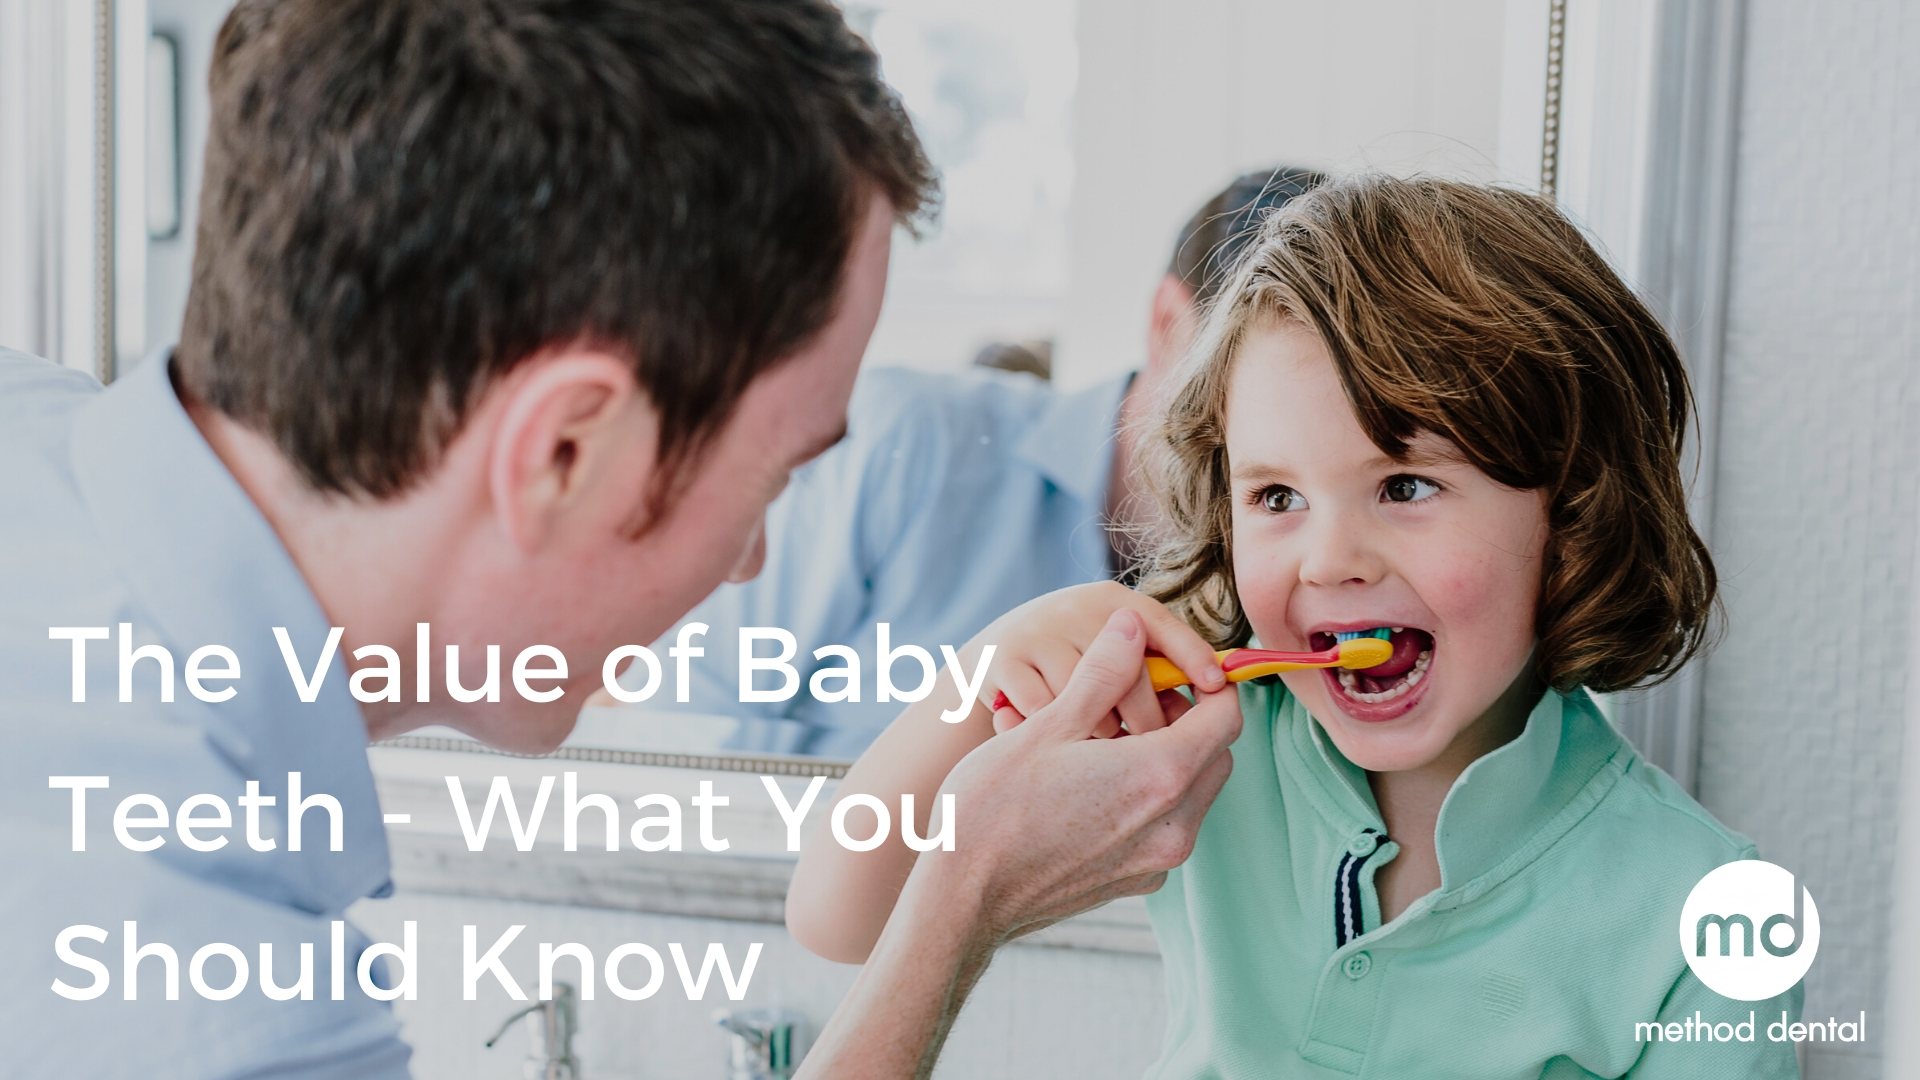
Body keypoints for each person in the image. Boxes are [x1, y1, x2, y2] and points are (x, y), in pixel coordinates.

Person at [0, 2, 1242, 1077]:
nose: (753, 560)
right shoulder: (208, 992)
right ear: (564, 453)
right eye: (771, 481)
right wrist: (961, 898)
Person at [788, 174, 1803, 1076]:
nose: (1328, 559)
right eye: (1275, 497)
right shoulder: (1208, 752)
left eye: (1404, 484)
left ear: (1573, 515)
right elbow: (839, 916)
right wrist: (996, 657)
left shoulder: (1705, 914)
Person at [646, 168, 1324, 756]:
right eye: (1244, 374)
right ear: (1169, 323)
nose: (1273, 429)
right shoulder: (905, 441)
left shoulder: (1307, 589)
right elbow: (682, 723)